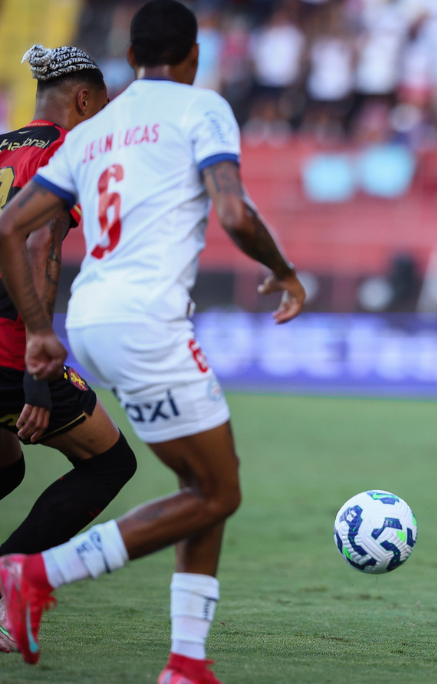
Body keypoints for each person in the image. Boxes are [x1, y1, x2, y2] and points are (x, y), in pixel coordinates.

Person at [0, 3, 305, 682]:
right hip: (147, 323)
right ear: (193, 54)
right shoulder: (201, 108)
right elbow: (231, 209)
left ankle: (187, 661)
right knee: (218, 491)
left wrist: (42, 331)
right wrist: (283, 273)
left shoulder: (88, 132)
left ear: (132, 56)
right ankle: (33, 571)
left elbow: (11, 229)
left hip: (89, 320)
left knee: (204, 481)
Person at [0, 44, 136, 654]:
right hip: (7, 346)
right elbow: (37, 246)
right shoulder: (66, 152)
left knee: (6, 468)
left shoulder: (4, 146)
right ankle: (6, 580)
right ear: (83, 100)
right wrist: (36, 355)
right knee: (111, 464)